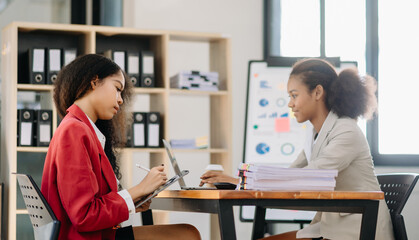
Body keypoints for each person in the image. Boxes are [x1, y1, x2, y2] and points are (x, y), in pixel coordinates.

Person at [200, 58, 394, 240]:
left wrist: (238, 181)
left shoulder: (346, 131)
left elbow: (310, 177)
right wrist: (238, 182)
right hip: (329, 227)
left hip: (357, 230)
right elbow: (289, 176)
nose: (290, 103)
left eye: (294, 95)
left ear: (317, 92)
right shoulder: (315, 134)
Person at [41, 54, 201, 240]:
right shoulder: (74, 131)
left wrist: (130, 201)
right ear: (94, 82)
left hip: (97, 234)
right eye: (117, 88)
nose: (120, 100)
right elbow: (84, 216)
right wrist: (139, 189)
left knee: (187, 233)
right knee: (187, 235)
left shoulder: (79, 128)